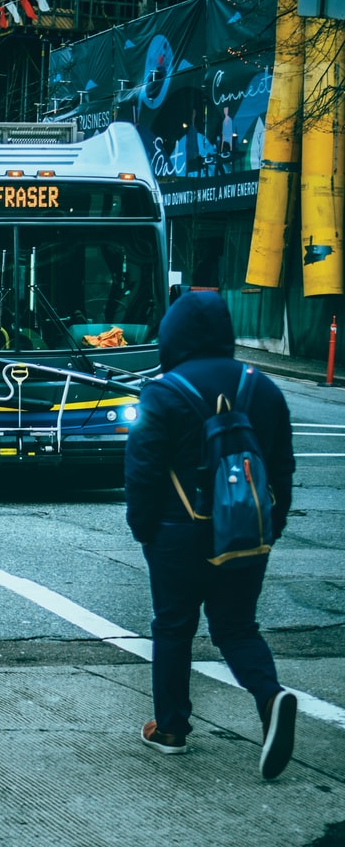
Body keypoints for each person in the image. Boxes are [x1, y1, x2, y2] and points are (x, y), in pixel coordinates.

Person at [124, 290, 297, 780]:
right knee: (237, 626)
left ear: (173, 335)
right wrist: (272, 525)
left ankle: (172, 728)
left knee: (174, 626)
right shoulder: (262, 388)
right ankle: (270, 696)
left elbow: (143, 470)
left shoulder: (164, 391)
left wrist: (145, 530)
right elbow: (281, 467)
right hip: (245, 528)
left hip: (179, 531)